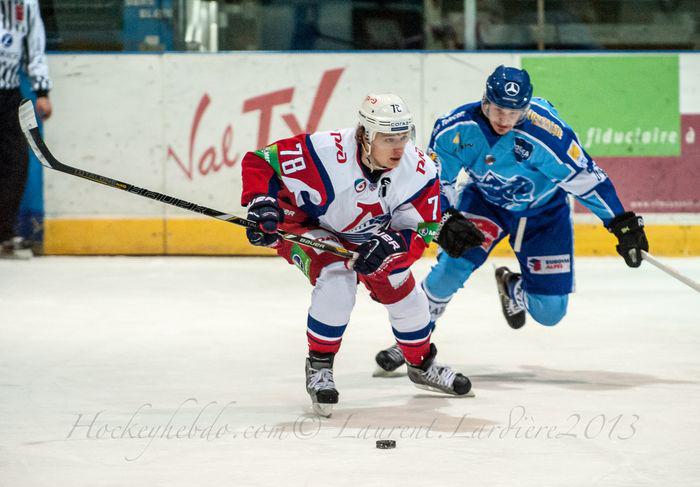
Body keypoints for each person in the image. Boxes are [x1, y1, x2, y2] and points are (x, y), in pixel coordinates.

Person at [374, 65, 649, 374]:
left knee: (550, 312)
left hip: (544, 212)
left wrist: (620, 222)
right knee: (452, 267)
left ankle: (513, 287)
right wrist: (446, 217)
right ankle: (411, 340)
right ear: (485, 100)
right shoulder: (456, 129)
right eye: (499, 109)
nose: (504, 119)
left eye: (514, 112)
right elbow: (437, 182)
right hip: (486, 204)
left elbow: (585, 179)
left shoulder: (548, 134)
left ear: (526, 109)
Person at [240, 93, 473, 416]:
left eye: (403, 136)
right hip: (310, 225)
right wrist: (261, 203)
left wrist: (392, 247)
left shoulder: (420, 170)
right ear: (365, 134)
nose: (398, 147)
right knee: (337, 279)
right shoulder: (324, 151)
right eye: (388, 137)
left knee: (404, 291)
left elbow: (425, 229)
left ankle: (420, 365)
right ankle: (319, 367)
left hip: (371, 235)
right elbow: (261, 161)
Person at [0, 0, 52, 259]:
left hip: (8, 95)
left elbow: (35, 49)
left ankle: (3, 234)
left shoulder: (27, 4)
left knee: (16, 164)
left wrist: (42, 91)